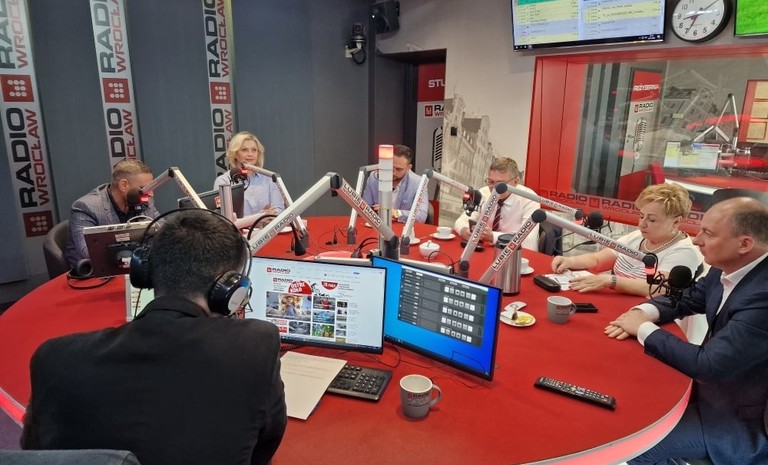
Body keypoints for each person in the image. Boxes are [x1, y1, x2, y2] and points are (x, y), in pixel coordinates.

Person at [22, 209, 287, 465]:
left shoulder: (52, 358)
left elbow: (33, 452)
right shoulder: (256, 345)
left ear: (145, 274)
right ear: (229, 291)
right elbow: (263, 449)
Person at [607, 197, 768, 465]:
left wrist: (643, 328)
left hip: (736, 421)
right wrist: (643, 312)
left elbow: (707, 364)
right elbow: (688, 298)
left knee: (634, 446)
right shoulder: (726, 267)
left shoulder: (763, 297)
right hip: (708, 393)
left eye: (709, 234)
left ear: (744, 244)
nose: (696, 240)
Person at [550, 183, 702, 297]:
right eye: (641, 216)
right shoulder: (637, 236)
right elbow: (597, 260)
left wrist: (611, 281)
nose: (642, 224)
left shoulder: (684, 252)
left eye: (652, 220)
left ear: (676, 222)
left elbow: (657, 289)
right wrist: (569, 261)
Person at [65, 159, 160, 269]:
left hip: (135, 268)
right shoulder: (86, 207)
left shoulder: (144, 200)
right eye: (143, 188)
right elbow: (89, 252)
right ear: (124, 185)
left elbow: (161, 230)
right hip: (95, 272)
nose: (151, 194)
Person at [454, 157, 540, 251]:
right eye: (490, 182)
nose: (493, 188)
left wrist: (492, 236)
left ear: (515, 182)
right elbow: (461, 221)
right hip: (487, 250)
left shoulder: (530, 199)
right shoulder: (484, 193)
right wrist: (464, 230)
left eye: (500, 184)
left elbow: (529, 241)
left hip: (517, 253)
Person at [214, 131, 285, 218]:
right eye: (244, 150)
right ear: (235, 154)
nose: (250, 154)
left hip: (268, 226)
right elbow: (222, 218)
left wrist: (268, 217)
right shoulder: (223, 181)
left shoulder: (269, 178)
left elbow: (279, 209)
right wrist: (257, 218)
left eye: (254, 150)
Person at [362, 144, 428, 223]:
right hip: (378, 225)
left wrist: (395, 213)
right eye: (390, 167)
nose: (393, 172)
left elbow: (421, 216)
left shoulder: (418, 182)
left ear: (408, 168)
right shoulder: (374, 177)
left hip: (402, 227)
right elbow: (364, 208)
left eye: (399, 169)